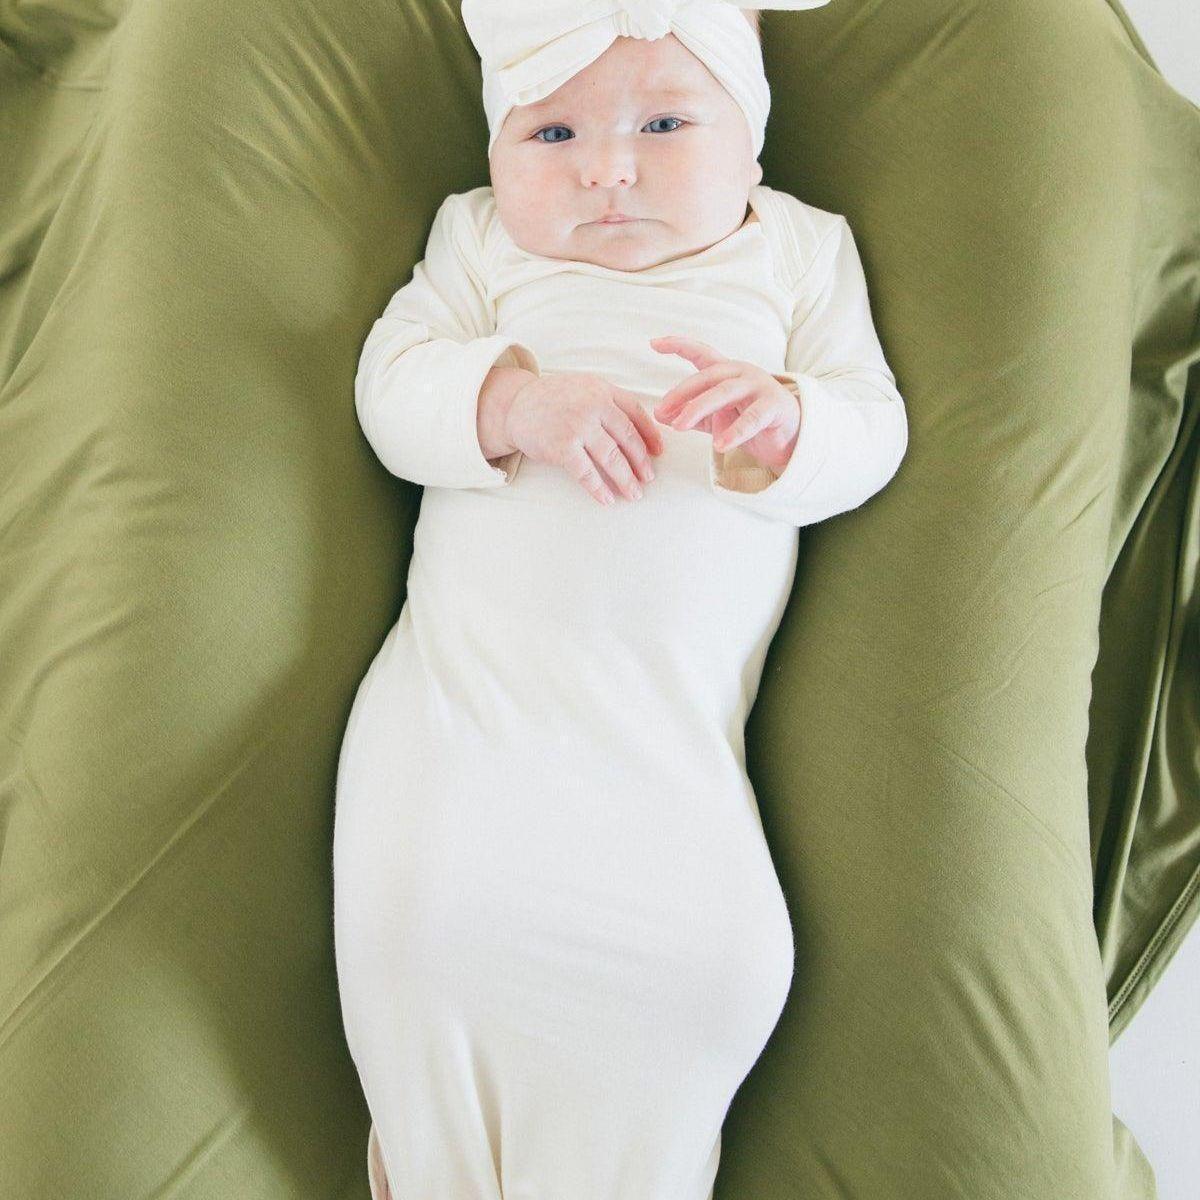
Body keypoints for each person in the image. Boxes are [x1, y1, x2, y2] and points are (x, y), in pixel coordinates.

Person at [333, 3, 908, 1198]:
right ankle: (437, 1167)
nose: (607, 170)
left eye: (663, 125)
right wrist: (512, 405)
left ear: (750, 142)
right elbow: (392, 387)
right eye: (552, 134)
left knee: (721, 971)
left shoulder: (796, 253)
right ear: (496, 150)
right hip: (473, 707)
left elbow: (874, 424)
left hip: (669, 743)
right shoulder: (484, 242)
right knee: (421, 928)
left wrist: (791, 423)